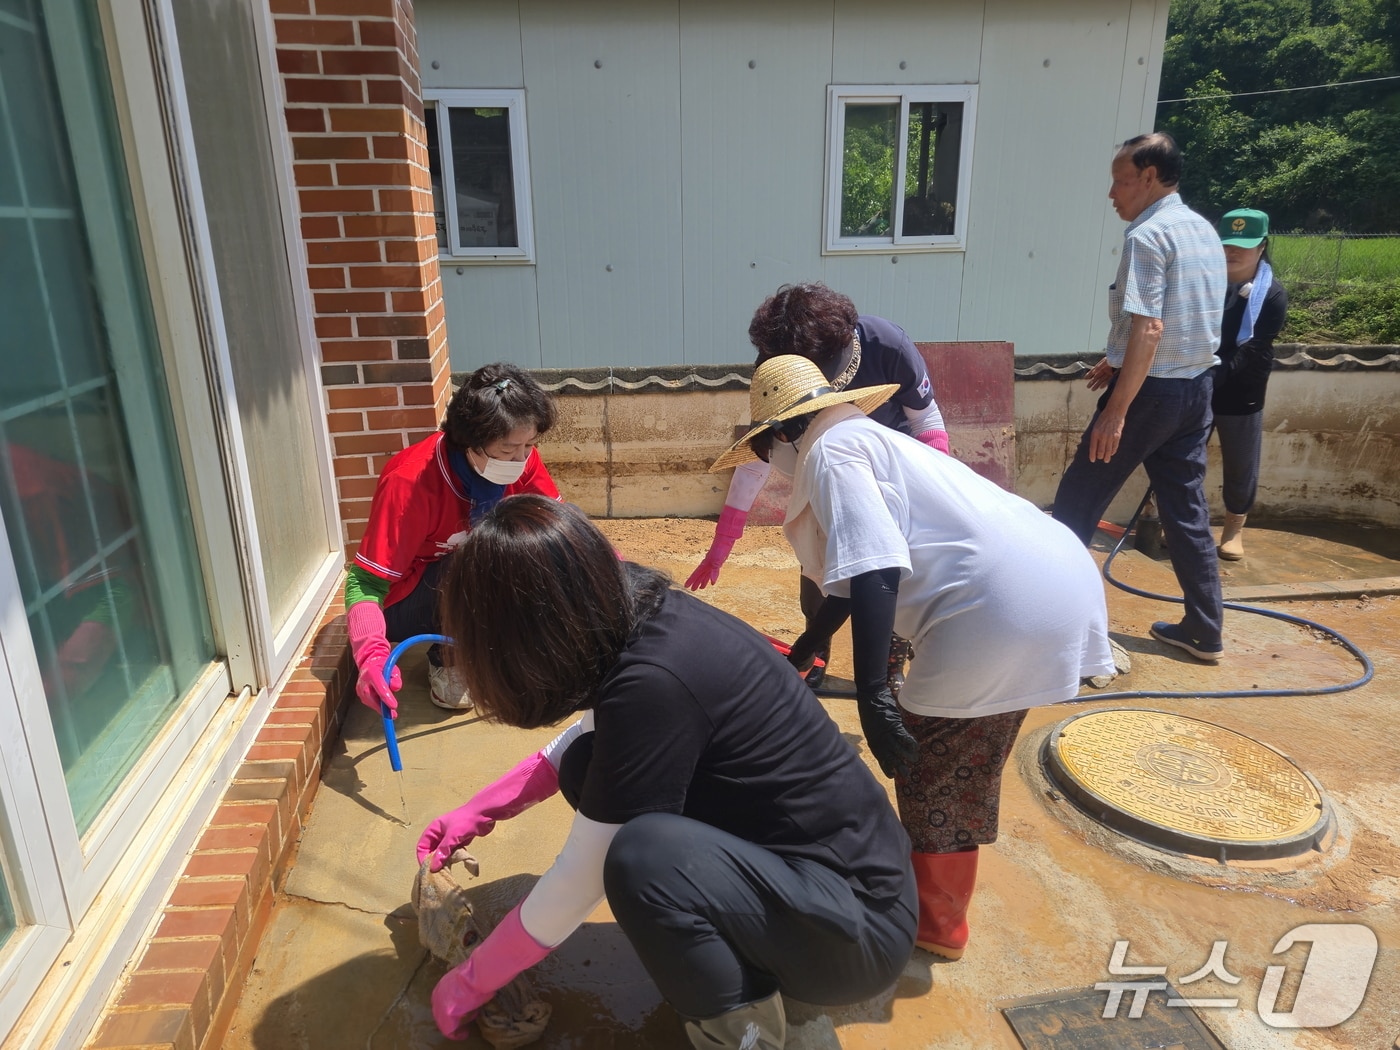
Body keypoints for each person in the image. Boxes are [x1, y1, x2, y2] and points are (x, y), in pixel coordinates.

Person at [416, 497, 915, 1049]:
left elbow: (583, 875)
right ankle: (735, 947)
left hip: (856, 931)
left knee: (642, 860)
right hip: (825, 884)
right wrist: (480, 810)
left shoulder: (654, 682)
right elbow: (588, 737)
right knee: (588, 768)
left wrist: (473, 979)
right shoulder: (634, 617)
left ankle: (744, 1032)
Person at [710, 355, 1114, 963]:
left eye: (765, 449)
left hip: (994, 610)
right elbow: (852, 577)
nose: (771, 464)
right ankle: (936, 900)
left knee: (931, 765)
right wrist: (808, 647)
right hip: (1053, 586)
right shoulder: (871, 440)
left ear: (786, 431)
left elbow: (875, 566)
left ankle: (936, 923)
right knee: (965, 754)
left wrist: (873, 694)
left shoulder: (831, 453)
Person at [688, 282, 948, 690]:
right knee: (817, 570)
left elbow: (926, 420)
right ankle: (816, 655)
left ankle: (890, 667)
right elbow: (758, 457)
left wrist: (929, 498)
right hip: (821, 478)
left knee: (893, 578)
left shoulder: (887, 345)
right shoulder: (775, 365)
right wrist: (721, 547)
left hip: (893, 474)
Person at [1051, 132, 1228, 664]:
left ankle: (1055, 629)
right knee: (1186, 511)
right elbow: (1180, 318)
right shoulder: (1202, 230)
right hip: (1196, 391)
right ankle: (1204, 631)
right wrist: (1117, 359)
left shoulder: (1147, 236)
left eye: (1120, 181)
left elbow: (1150, 328)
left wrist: (1116, 411)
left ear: (1149, 177)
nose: (1112, 193)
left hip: (1150, 396)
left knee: (1077, 503)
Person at [346, 362, 560, 714]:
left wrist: (617, 579)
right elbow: (364, 583)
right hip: (408, 600)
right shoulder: (410, 483)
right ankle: (450, 656)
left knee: (533, 546)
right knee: (482, 559)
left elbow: (560, 531)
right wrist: (370, 654)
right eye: (508, 449)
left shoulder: (521, 460)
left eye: (529, 445)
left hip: (469, 578)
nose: (521, 459)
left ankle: (493, 647)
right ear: (469, 443)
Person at [1213, 208, 1287, 561]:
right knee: (1182, 456)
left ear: (1262, 247)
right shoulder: (1205, 280)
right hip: (1198, 378)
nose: (1232, 252)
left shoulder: (1271, 294)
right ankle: (1178, 521)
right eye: (1227, 244)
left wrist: (1213, 377)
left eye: (1243, 246)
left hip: (1242, 386)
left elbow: (1253, 346)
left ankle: (1233, 528)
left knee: (1241, 461)